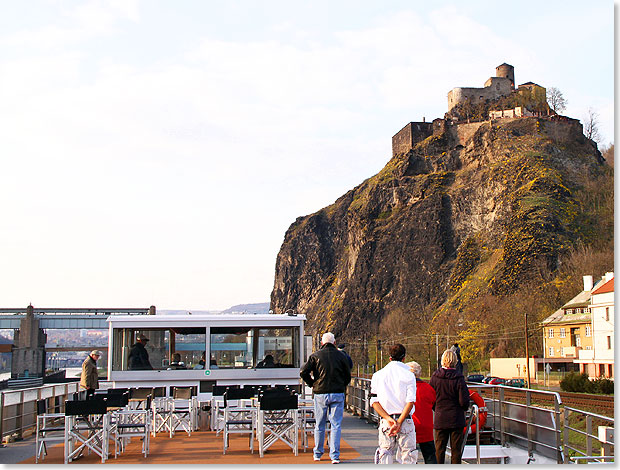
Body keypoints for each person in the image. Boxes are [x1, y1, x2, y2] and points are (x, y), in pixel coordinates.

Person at [300, 332, 352, 464]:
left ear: (322, 343)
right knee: (336, 425)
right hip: (337, 393)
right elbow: (347, 375)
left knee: (319, 424)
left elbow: (303, 372)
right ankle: (334, 456)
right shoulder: (342, 356)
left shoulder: (315, 356)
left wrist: (312, 383)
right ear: (334, 343)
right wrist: (342, 385)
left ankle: (317, 453)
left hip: (320, 393)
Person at [370, 343, 418, 464]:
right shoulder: (409, 375)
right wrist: (399, 422)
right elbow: (410, 401)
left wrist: (388, 419)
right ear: (404, 358)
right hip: (405, 420)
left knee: (385, 456)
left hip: (387, 421)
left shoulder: (377, 376)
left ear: (389, 358)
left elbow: (374, 402)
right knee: (408, 457)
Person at [430, 349, 470, 464]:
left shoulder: (435, 377)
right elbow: (464, 401)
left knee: (439, 449)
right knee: (456, 451)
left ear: (442, 361)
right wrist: (463, 409)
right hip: (456, 418)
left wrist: (436, 409)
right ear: (455, 361)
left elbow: (431, 398)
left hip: (440, 417)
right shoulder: (459, 378)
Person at [406, 361, 437, 464]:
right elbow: (434, 404)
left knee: (408, 456)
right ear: (419, 373)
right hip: (426, 428)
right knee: (430, 456)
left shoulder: (405, 389)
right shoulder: (428, 388)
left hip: (410, 427)